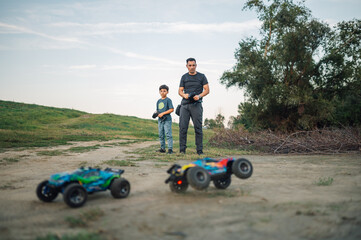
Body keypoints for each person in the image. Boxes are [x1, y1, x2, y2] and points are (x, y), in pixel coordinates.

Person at [178, 58, 210, 155]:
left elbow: (207, 90)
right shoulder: (184, 77)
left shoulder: (202, 76)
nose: (192, 67)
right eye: (190, 65)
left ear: (196, 65)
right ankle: (182, 150)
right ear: (187, 66)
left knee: (198, 128)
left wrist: (199, 96)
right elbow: (180, 91)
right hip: (185, 105)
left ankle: (199, 151)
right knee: (183, 128)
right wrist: (184, 95)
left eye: (193, 65)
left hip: (196, 105)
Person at [156, 84, 174, 154]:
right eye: (161, 91)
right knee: (161, 135)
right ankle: (162, 148)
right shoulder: (158, 101)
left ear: (167, 92)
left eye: (164, 91)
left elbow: (171, 109)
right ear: (159, 92)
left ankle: (170, 149)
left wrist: (163, 113)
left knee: (168, 134)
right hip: (160, 120)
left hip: (167, 120)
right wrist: (157, 114)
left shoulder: (168, 100)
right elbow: (158, 110)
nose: (162, 92)